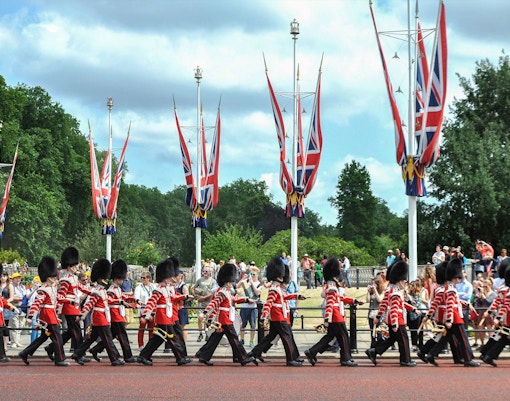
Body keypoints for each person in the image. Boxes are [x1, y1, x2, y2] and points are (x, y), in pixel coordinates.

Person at [195, 263, 257, 366]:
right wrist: (205, 313)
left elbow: (234, 299)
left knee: (215, 338)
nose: (232, 283)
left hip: (225, 318)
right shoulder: (222, 292)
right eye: (231, 281)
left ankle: (203, 355)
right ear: (227, 282)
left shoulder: (227, 292)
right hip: (224, 319)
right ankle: (243, 357)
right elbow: (214, 303)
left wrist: (246, 299)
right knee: (234, 338)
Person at [304, 258, 363, 367]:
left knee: (330, 337)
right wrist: (327, 319)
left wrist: (353, 301)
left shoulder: (330, 286)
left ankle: (312, 352)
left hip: (334, 316)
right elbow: (330, 304)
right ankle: (345, 358)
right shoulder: (332, 287)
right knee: (344, 337)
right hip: (335, 317)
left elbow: (338, 298)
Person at [248, 257, 304, 366]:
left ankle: (254, 353)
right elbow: (268, 304)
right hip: (278, 317)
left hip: (280, 316)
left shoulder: (277, 287)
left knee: (271, 337)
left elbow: (284, 298)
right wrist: (263, 317)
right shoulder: (274, 288)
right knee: (287, 337)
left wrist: (297, 296)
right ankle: (291, 359)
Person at [424, 258, 480, 367]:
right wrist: (449, 319)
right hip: (454, 318)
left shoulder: (449, 288)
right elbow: (450, 305)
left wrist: (467, 304)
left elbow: (455, 302)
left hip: (453, 316)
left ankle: (431, 354)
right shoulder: (451, 289)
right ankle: (468, 359)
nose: (459, 279)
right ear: (454, 277)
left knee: (445, 338)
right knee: (463, 339)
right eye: (458, 277)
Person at [136, 258, 191, 366]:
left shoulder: (166, 288)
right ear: (165, 278)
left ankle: (143, 356)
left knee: (157, 338)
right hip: (163, 317)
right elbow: (151, 302)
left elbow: (173, 298)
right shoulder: (159, 289)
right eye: (169, 277)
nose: (171, 278)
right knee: (172, 337)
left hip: (168, 316)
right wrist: (146, 315)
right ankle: (180, 358)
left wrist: (185, 296)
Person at [18, 256, 70, 366]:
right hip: (47, 317)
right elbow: (36, 304)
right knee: (57, 337)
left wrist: (70, 299)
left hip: (51, 315)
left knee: (43, 337)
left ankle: (25, 352)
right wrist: (31, 316)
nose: (55, 278)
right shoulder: (43, 289)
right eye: (53, 276)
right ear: (48, 277)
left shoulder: (52, 288)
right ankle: (59, 359)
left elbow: (58, 298)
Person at [72, 259, 125, 366]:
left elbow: (107, 302)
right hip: (99, 318)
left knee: (90, 339)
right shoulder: (97, 291)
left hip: (101, 317)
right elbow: (89, 305)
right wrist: (81, 316)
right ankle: (114, 358)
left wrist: (121, 302)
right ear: (100, 279)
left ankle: (77, 354)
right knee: (108, 339)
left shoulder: (102, 290)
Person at [365, 261, 419, 367]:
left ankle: (374, 351)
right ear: (399, 280)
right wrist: (395, 323)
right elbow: (394, 308)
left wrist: (412, 309)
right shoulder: (395, 291)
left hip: (391, 319)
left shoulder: (391, 289)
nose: (405, 282)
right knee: (404, 340)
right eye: (404, 280)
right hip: (397, 319)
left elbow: (386, 304)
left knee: (391, 339)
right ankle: (406, 360)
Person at [46, 247, 91, 361]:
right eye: (75, 265)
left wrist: (96, 291)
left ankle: (50, 348)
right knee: (76, 331)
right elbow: (60, 296)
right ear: (69, 266)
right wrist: (70, 302)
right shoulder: (65, 279)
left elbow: (83, 288)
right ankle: (79, 354)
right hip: (69, 307)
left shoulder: (74, 278)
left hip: (74, 307)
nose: (77, 267)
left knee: (71, 331)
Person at [88, 260, 137, 363]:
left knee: (110, 337)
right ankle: (128, 356)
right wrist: (121, 302)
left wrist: (135, 300)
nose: (122, 280)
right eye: (120, 278)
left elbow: (124, 296)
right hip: (115, 316)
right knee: (122, 336)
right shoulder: (111, 289)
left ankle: (95, 349)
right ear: (116, 278)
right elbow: (109, 302)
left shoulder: (116, 288)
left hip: (117, 315)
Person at [481, 263, 510, 367]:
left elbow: (496, 302)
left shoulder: (502, 288)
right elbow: (505, 305)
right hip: (507, 316)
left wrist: (489, 311)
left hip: (503, 315)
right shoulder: (507, 290)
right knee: (503, 338)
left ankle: (485, 353)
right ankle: (489, 355)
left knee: (499, 336)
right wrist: (497, 316)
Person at [237, 264, 262, 347]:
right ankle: (242, 339)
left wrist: (252, 282)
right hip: (244, 306)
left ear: (257, 275)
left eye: (253, 274)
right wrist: (243, 279)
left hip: (253, 307)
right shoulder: (246, 282)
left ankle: (251, 341)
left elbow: (257, 293)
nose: (252, 276)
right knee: (242, 325)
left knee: (253, 325)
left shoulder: (259, 284)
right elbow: (237, 286)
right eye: (251, 274)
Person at [0, 265, 19, 362]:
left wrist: (12, 308)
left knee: (3, 333)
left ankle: (2, 355)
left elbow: (2, 301)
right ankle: (2, 355)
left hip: (0, 319)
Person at [191, 266, 216, 342]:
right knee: (200, 318)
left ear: (210, 272)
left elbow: (213, 292)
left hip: (209, 301)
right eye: (203, 271)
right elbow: (193, 288)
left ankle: (207, 333)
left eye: (206, 271)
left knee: (209, 319)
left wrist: (204, 297)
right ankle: (200, 333)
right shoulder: (200, 280)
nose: (204, 273)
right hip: (201, 302)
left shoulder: (213, 281)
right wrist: (195, 295)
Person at [134, 272, 155, 350]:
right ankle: (141, 345)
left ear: (148, 278)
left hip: (152, 310)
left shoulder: (153, 286)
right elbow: (136, 297)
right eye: (141, 278)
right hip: (143, 310)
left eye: (144, 278)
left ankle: (150, 345)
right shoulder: (139, 287)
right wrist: (138, 302)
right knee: (142, 328)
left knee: (151, 329)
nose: (142, 279)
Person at [472, 278, 496, 348]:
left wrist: (483, 295)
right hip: (482, 312)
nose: (484, 288)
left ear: (490, 285)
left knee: (489, 328)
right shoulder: (482, 293)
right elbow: (479, 303)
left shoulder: (493, 294)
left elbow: (488, 302)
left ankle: (490, 345)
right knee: (480, 328)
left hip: (489, 312)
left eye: (486, 286)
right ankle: (482, 344)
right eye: (484, 286)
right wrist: (479, 295)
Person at [8, 272, 27, 348]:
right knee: (14, 325)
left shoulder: (23, 287)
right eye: (16, 278)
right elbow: (12, 297)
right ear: (13, 279)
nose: (18, 279)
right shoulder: (11, 286)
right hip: (14, 307)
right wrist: (20, 298)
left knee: (21, 325)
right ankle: (13, 342)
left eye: (19, 278)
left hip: (22, 308)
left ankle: (17, 341)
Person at [366, 276, 385, 347]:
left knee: (379, 330)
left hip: (378, 313)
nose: (373, 285)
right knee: (372, 330)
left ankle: (380, 345)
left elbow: (380, 300)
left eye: (374, 284)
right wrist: (368, 292)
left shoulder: (382, 292)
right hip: (371, 313)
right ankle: (373, 345)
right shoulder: (371, 292)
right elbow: (367, 300)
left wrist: (376, 291)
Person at [175, 269, 190, 342]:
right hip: (176, 308)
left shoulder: (183, 286)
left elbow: (187, 297)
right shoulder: (174, 285)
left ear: (180, 276)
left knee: (183, 326)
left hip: (182, 307)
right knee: (177, 326)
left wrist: (180, 298)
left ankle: (184, 342)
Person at [1, 272, 13, 350]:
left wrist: (4, 303)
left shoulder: (9, 286)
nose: (2, 278)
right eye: (1, 276)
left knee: (5, 327)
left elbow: (12, 297)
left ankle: (5, 345)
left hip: (6, 308)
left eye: (4, 276)